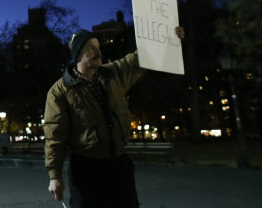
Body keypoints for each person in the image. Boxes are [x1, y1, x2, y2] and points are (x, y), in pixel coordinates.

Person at [44, 28, 184, 208]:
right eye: (91, 48)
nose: (98, 52)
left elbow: (139, 59)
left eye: (98, 47)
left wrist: (168, 38)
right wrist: (54, 176)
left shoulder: (112, 74)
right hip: (87, 169)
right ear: (78, 55)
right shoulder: (60, 92)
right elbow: (55, 136)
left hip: (119, 163)